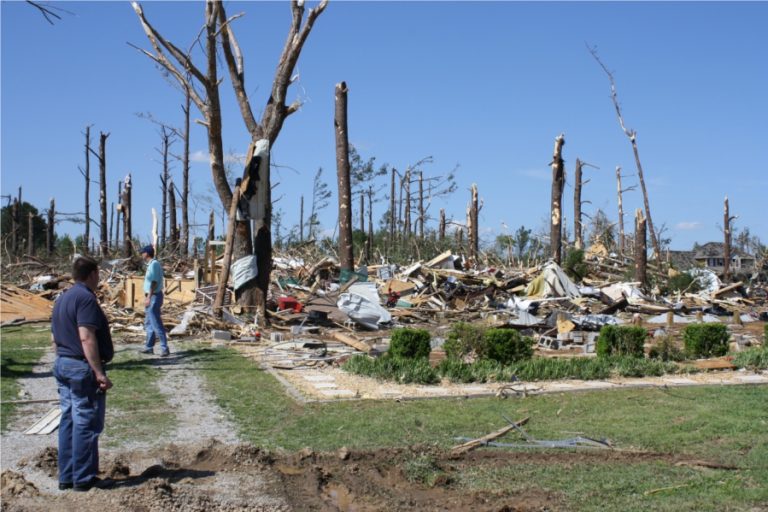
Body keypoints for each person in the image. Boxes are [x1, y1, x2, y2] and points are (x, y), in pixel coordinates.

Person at [51, 256, 114, 492]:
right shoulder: (86, 299)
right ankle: (83, 478)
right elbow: (86, 336)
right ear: (93, 274)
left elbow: (54, 338)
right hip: (80, 367)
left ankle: (66, 477)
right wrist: (98, 372)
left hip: (63, 363)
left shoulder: (63, 298)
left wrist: (63, 361)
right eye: (98, 275)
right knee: (86, 422)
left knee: (68, 419)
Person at [139, 245, 169, 356]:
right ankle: (149, 347)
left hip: (154, 296)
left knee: (156, 322)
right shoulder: (150, 265)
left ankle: (164, 348)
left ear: (147, 253)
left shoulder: (154, 264)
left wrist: (148, 297)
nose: (142, 254)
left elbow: (154, 282)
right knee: (149, 323)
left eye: (143, 252)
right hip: (151, 295)